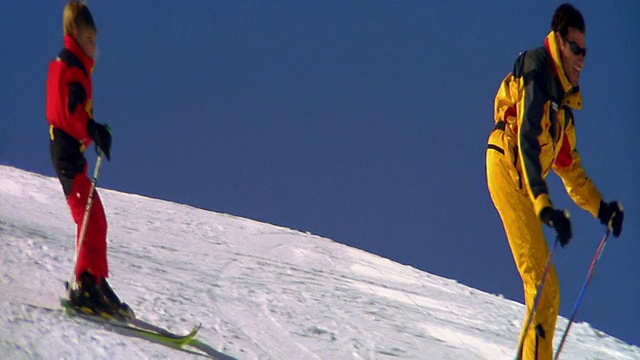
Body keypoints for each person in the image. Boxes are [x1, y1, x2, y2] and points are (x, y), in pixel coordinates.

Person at [485, 4, 623, 359]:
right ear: (560, 43)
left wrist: (601, 208)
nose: (581, 59)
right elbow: (527, 140)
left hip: (522, 180)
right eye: (576, 49)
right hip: (507, 166)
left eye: (585, 51)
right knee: (545, 289)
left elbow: (570, 169)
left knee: (547, 291)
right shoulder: (537, 70)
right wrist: (543, 204)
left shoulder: (563, 108)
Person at [46, 1, 132, 319]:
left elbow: (77, 113)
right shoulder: (69, 66)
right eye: (89, 40)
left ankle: (96, 280)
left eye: (95, 40)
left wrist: (94, 132)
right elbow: (68, 111)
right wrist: (91, 129)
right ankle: (85, 284)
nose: (94, 47)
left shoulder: (76, 67)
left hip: (73, 151)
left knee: (96, 217)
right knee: (87, 217)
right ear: (75, 36)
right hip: (66, 152)